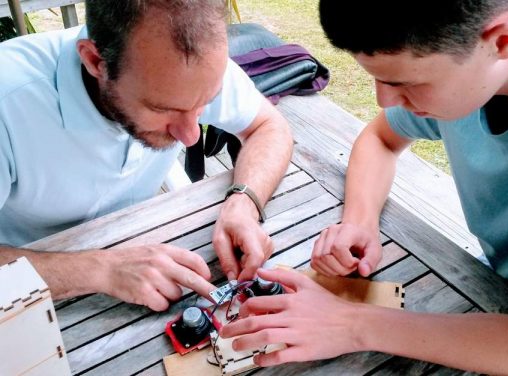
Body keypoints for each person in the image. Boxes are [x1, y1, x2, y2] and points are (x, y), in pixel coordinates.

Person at [221, 0, 508, 373]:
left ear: (503, 42)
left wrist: (353, 325)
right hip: (494, 294)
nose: (383, 99)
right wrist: (359, 222)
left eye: (406, 83)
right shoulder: (474, 66)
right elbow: (380, 139)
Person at [0, 0, 293, 312]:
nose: (192, 135)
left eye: (205, 102)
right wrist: (101, 270)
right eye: (161, 108)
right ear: (95, 61)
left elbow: (269, 126)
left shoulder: (188, 67)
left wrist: (243, 203)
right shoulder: (9, 100)